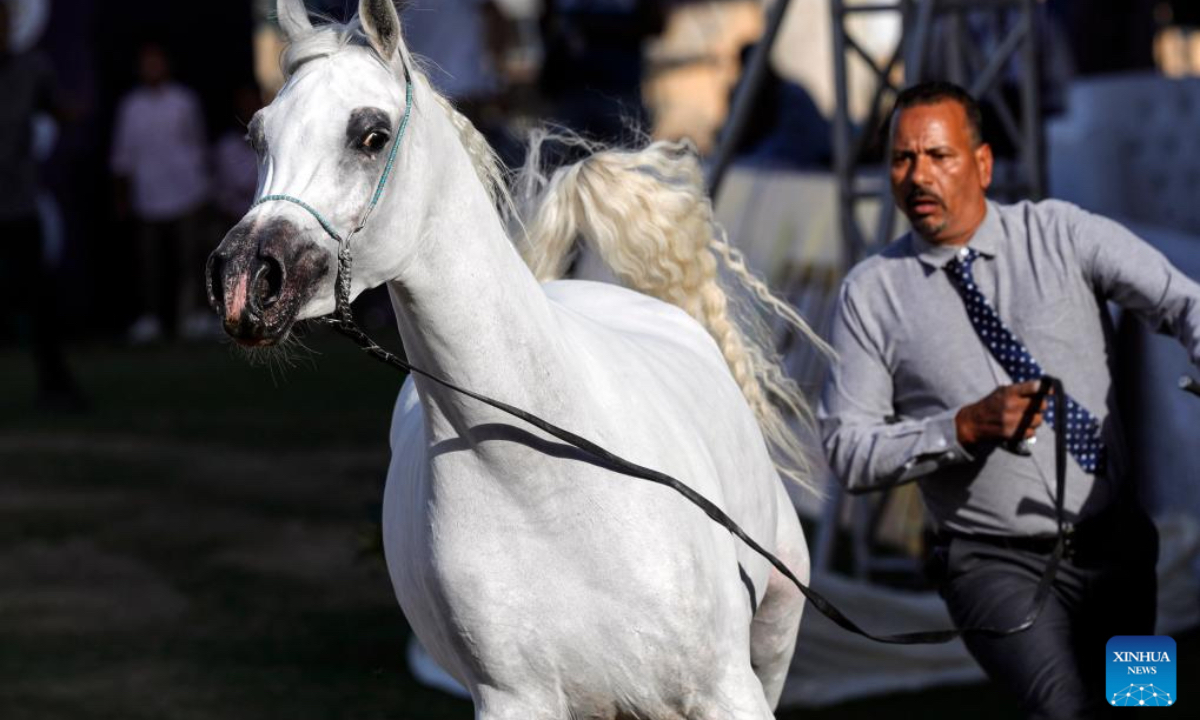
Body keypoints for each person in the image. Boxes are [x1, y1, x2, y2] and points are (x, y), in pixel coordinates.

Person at [819, 81, 1200, 719]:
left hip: (1119, 546)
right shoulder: (871, 293)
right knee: (1064, 710)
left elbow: (1182, 300)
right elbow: (849, 450)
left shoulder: (1062, 232)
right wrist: (961, 428)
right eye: (902, 158)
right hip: (989, 562)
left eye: (938, 156)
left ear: (984, 164)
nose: (918, 175)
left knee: (1140, 708)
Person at [0, 0, 84, 410]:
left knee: (38, 301)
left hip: (18, 206)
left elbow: (59, 108)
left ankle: (56, 386)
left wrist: (74, 112)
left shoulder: (32, 69)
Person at [111, 41, 210, 343]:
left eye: (156, 62)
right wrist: (120, 197)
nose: (152, 68)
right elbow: (122, 156)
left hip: (186, 193)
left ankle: (191, 317)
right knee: (148, 264)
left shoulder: (184, 101)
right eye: (146, 63)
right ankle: (150, 319)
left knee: (189, 259)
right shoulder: (130, 106)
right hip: (147, 196)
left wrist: (203, 186)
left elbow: (198, 145)